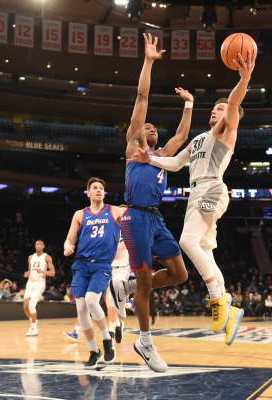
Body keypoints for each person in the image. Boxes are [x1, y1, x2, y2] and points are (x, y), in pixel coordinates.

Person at [128, 42, 257, 346]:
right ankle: (231, 310)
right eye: (215, 107)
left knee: (186, 241)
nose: (216, 109)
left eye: (221, 108)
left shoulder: (226, 130)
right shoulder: (200, 138)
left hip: (212, 187)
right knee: (206, 252)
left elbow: (235, 103)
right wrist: (151, 159)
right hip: (195, 194)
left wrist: (244, 80)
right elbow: (174, 163)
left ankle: (217, 298)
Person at [109, 33, 191, 373]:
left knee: (179, 274)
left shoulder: (162, 156)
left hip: (155, 219)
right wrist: (148, 61)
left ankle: (126, 287)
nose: (151, 128)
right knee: (145, 283)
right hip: (135, 218)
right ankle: (144, 340)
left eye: (156, 128)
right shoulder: (134, 146)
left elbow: (182, 137)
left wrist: (189, 103)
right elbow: (142, 95)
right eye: (148, 125)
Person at [64, 177, 124, 369]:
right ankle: (93, 351)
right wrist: (67, 247)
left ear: (104, 193)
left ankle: (107, 340)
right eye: (94, 188)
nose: (98, 190)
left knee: (91, 300)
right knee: (81, 308)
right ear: (88, 193)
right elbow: (69, 240)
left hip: (102, 265)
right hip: (81, 265)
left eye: (101, 188)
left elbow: (135, 223)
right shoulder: (80, 214)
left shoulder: (115, 211)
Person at [23, 240, 55, 336]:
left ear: (44, 246)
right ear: (35, 246)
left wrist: (43, 271)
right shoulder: (30, 257)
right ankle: (34, 320)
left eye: (41, 244)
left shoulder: (47, 257)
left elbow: (52, 273)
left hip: (39, 283)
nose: (39, 245)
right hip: (30, 283)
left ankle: (34, 329)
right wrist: (27, 274)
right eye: (37, 244)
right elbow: (30, 271)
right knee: (25, 307)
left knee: (32, 305)